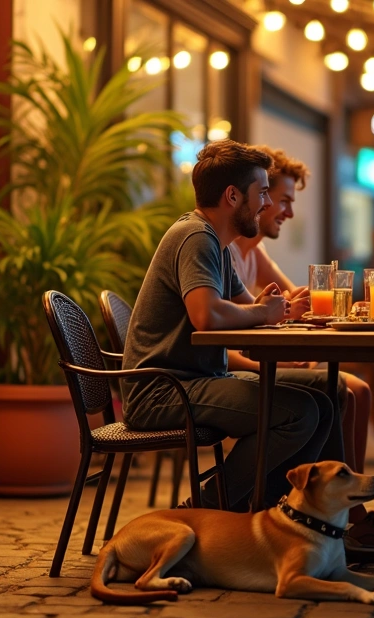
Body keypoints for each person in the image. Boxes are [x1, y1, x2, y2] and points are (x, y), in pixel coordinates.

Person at [120, 140, 334, 512]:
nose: (267, 204)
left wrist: (282, 309)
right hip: (163, 391)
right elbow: (208, 315)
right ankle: (206, 510)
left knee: (324, 397)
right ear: (233, 196)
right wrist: (264, 313)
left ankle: (273, 512)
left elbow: (247, 309)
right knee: (302, 412)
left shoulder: (217, 244)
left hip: (196, 380)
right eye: (263, 193)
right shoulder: (195, 237)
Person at [226, 145, 374, 554]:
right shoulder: (225, 251)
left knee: (352, 388)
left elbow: (296, 297)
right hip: (236, 368)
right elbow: (215, 336)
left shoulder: (254, 250)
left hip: (255, 360)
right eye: (279, 200)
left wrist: (341, 304)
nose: (285, 210)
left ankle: (347, 514)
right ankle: (348, 517)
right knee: (343, 390)